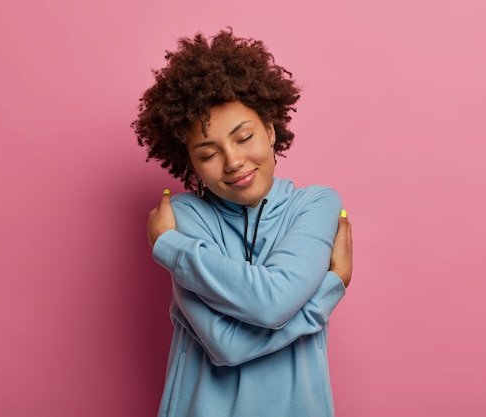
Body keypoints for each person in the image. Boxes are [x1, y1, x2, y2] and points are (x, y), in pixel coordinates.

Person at [132, 29, 353, 417]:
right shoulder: (184, 218)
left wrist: (169, 248)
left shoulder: (315, 205)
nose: (232, 161)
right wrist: (327, 293)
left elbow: (272, 303)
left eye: (244, 137)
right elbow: (227, 345)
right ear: (191, 164)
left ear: (269, 131)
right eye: (208, 153)